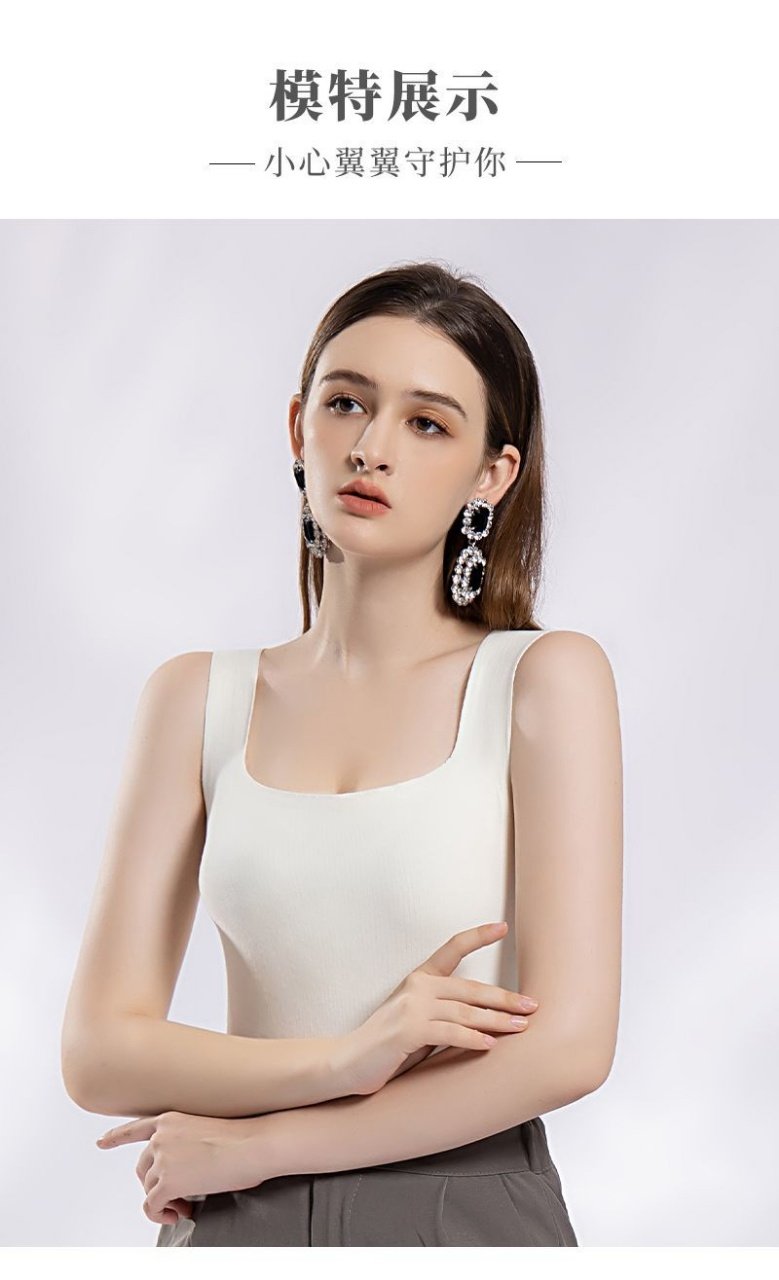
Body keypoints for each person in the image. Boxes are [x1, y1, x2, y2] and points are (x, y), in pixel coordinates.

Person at [61, 260, 623, 1246]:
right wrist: (339, 1062)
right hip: (233, 1208)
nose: (370, 447)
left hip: (456, 1200)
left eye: (427, 423)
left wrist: (270, 1145)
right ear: (298, 427)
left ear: (491, 474)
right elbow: (99, 1051)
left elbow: (568, 1046)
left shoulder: (542, 680)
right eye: (346, 403)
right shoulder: (195, 697)